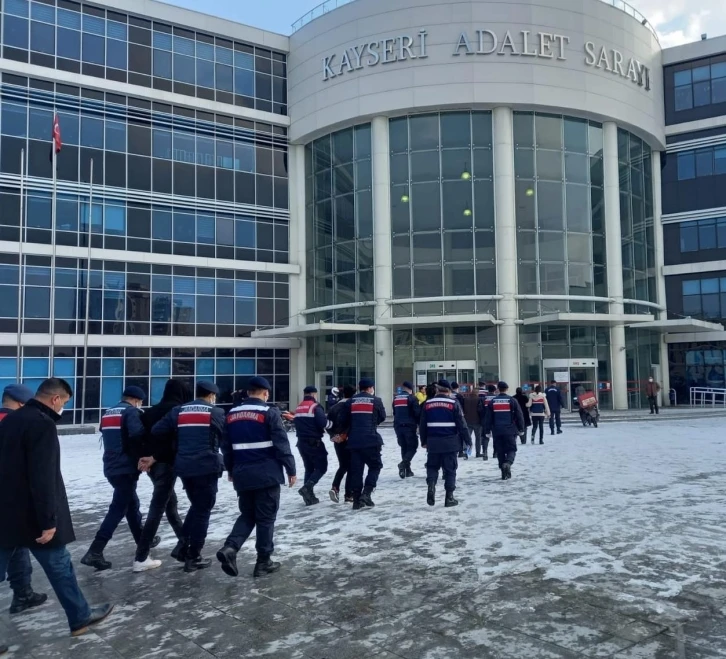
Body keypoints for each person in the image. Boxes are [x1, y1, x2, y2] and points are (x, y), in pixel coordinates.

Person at [0, 378, 113, 637]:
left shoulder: (10, 421)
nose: (63, 408)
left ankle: (80, 617)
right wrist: (48, 520)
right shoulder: (42, 424)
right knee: (60, 567)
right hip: (33, 517)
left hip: (5, 513)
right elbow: (43, 476)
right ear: (55, 399)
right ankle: (80, 618)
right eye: (64, 402)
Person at [216, 377, 296, 578]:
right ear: (266, 393)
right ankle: (263, 562)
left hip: (242, 474)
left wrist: (231, 470)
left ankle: (230, 548)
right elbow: (281, 443)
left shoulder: (231, 414)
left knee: (248, 514)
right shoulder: (269, 413)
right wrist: (291, 469)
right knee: (266, 518)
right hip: (266, 473)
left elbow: (226, 447)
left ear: (247, 393)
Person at [147, 380, 225, 572]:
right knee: (203, 509)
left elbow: (157, 430)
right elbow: (225, 436)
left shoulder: (178, 411)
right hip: (207, 466)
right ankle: (194, 555)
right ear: (212, 396)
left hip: (184, 468)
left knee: (197, 506)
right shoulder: (215, 412)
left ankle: (182, 546)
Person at [81, 386, 155, 572]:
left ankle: (143, 543)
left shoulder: (108, 413)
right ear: (137, 400)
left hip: (111, 466)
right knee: (119, 508)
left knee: (131, 506)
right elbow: (138, 435)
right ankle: (95, 550)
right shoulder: (131, 412)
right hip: (125, 466)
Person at [0, 384, 48, 616]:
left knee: (18, 546)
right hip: (11, 498)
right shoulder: (20, 424)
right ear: (22, 403)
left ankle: (23, 593)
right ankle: (23, 593)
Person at [133, 379, 190, 572]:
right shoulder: (177, 411)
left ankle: (186, 546)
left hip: (151, 465)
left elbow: (141, 437)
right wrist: (156, 457)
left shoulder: (149, 411)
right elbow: (174, 440)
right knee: (157, 509)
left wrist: (145, 458)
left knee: (170, 506)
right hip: (165, 463)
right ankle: (141, 557)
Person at [420, 380, 470, 508]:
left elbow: (422, 425)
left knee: (432, 467)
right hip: (450, 442)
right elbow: (462, 424)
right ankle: (449, 498)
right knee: (450, 470)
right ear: (449, 390)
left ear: (437, 390)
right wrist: (468, 441)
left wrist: (424, 441)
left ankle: (431, 486)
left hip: (433, 442)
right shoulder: (453, 403)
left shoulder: (427, 404)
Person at [338, 378, 386, 510]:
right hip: (371, 440)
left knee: (356, 471)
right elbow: (382, 417)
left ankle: (356, 500)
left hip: (354, 442)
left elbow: (342, 419)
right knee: (375, 466)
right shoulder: (376, 400)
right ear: (371, 388)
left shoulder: (350, 401)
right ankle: (367, 493)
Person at [293, 385, 328, 506]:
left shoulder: (299, 407)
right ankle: (307, 488)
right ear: (314, 394)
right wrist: (332, 424)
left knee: (309, 468)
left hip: (301, 442)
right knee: (321, 467)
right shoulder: (315, 406)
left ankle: (309, 496)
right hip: (314, 442)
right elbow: (322, 423)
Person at [483, 382, 524, 480]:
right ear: (507, 389)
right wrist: (521, 428)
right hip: (510, 430)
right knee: (511, 449)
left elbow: (488, 418)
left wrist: (487, 430)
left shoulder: (492, 402)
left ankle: (503, 472)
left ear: (498, 389)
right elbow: (519, 415)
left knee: (500, 451)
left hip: (497, 430)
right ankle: (508, 463)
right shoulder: (512, 400)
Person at [326, 385, 356, 502]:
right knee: (352, 467)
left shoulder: (334, 407)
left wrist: (333, 436)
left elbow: (328, 424)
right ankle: (349, 494)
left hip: (338, 440)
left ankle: (335, 487)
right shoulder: (351, 407)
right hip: (350, 439)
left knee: (343, 465)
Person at [392, 381, 420, 479]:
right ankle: (403, 464)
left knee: (404, 447)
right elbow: (417, 413)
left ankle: (407, 471)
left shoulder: (395, 398)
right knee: (412, 447)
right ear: (411, 389)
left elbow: (394, 412)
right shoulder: (412, 398)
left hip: (398, 426)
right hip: (409, 426)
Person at [477, 384, 498, 460]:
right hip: (495, 420)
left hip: (485, 420)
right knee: (496, 437)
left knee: (485, 436)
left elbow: (479, 409)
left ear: (487, 390)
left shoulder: (483, 398)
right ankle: (495, 453)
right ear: (494, 390)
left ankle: (485, 452)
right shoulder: (496, 398)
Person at [462, 389, 483, 458]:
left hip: (467, 421)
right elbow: (480, 410)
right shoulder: (479, 399)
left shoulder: (465, 399)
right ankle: (478, 453)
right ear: (477, 393)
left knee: (467, 438)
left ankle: (466, 452)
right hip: (477, 421)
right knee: (478, 438)